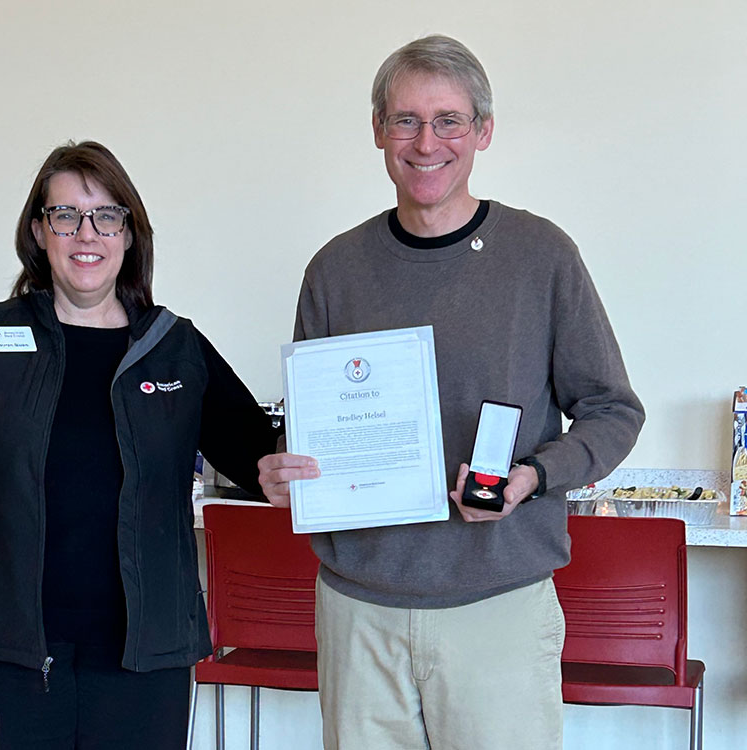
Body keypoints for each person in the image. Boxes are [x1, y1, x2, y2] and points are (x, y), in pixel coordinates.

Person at [258, 35, 644, 750]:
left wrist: (533, 476)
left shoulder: (542, 256)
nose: (425, 141)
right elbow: (318, 430)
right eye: (405, 120)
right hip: (358, 609)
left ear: (483, 132)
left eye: (449, 121)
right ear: (377, 131)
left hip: (497, 606)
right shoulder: (335, 270)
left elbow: (614, 410)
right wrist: (287, 465)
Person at [0, 141, 278, 749]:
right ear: (38, 230)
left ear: (129, 234)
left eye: (107, 215)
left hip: (143, 660)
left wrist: (314, 466)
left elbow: (259, 456)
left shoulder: (173, 347)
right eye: (66, 215)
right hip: (7, 653)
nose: (88, 233)